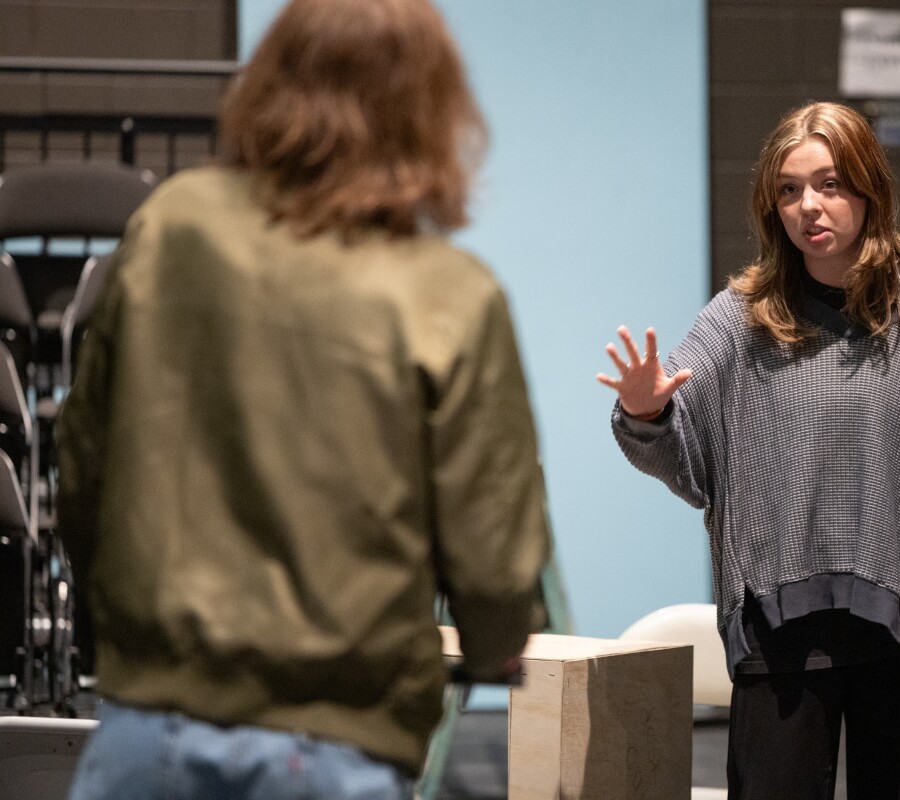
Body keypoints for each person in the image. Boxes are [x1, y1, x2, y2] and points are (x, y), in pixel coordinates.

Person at [55, 1, 550, 797]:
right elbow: (492, 550)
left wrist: (108, 632)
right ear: (430, 110)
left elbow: (82, 464)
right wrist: (496, 644)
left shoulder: (171, 226)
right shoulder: (451, 293)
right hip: (335, 741)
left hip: (149, 727)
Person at [598, 101, 900, 800]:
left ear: (868, 190)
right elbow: (680, 449)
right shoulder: (741, 316)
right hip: (781, 632)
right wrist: (646, 411)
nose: (809, 206)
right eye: (791, 189)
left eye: (830, 184)